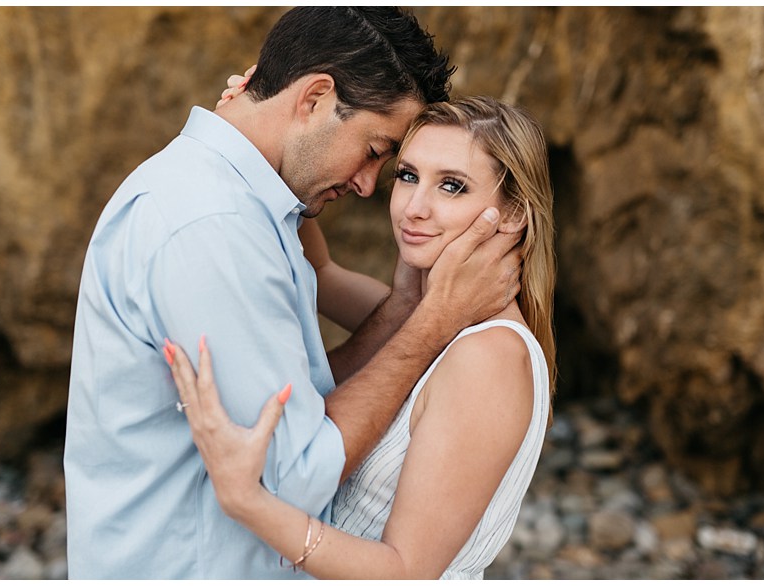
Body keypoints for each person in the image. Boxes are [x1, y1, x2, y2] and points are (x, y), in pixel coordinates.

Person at [64, 7, 524, 578]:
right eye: (376, 151)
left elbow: (304, 404)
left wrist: (408, 310)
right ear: (315, 99)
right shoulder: (214, 227)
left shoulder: (241, 206)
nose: (367, 185)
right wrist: (434, 321)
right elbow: (297, 473)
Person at [166, 95, 556, 579]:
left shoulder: (488, 357)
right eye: (407, 176)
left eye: (452, 186)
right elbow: (320, 273)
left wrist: (250, 503)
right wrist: (263, 114)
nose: (414, 208)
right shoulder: (417, 314)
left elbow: (406, 572)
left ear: (515, 212)